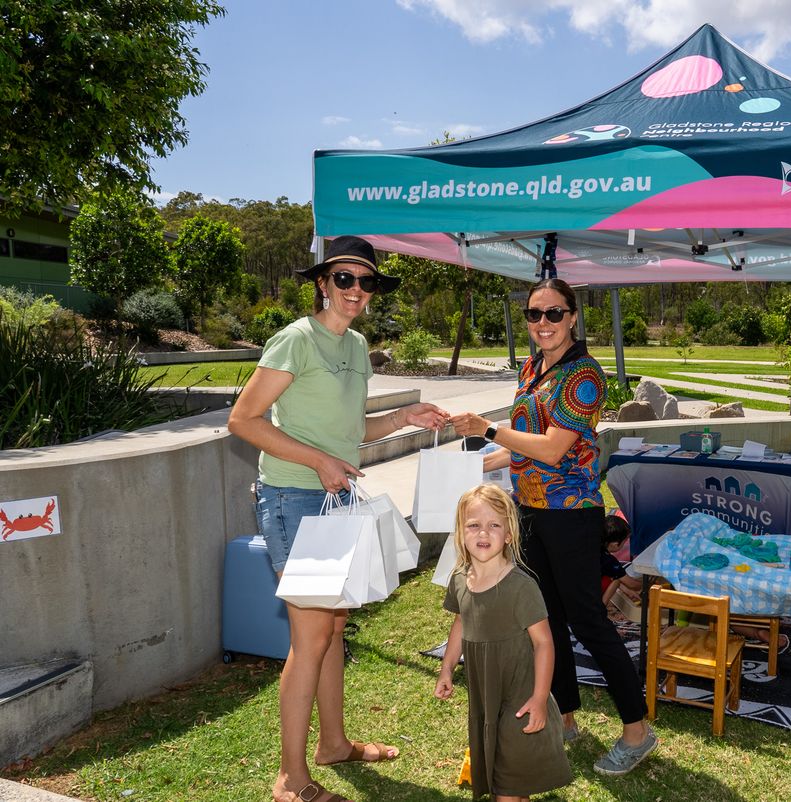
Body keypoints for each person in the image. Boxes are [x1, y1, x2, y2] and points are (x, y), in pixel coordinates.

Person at [228, 235, 450, 802]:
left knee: (332, 628)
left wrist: (404, 416)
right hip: (292, 500)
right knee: (310, 638)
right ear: (322, 283)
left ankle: (333, 744)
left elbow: (349, 435)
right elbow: (244, 420)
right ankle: (290, 778)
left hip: (338, 501)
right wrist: (319, 460)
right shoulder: (294, 341)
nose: (355, 290)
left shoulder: (355, 345)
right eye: (344, 279)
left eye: (366, 281)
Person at [449, 278, 658, 777]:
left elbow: (552, 448)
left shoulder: (584, 374)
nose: (542, 323)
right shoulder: (532, 367)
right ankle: (564, 718)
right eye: (533, 314)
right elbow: (524, 447)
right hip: (529, 513)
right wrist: (469, 468)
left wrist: (486, 429)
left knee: (588, 620)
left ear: (573, 318)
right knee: (544, 620)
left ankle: (638, 731)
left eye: (553, 314)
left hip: (570, 516)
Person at [434, 485, 573, 802]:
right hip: (486, 696)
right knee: (507, 782)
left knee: (507, 789)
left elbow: (544, 644)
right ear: (461, 532)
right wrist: (446, 669)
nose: (483, 532)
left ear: (509, 534)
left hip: (519, 698)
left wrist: (539, 699)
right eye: (473, 525)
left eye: (494, 525)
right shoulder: (459, 579)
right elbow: (460, 623)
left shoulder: (520, 587)